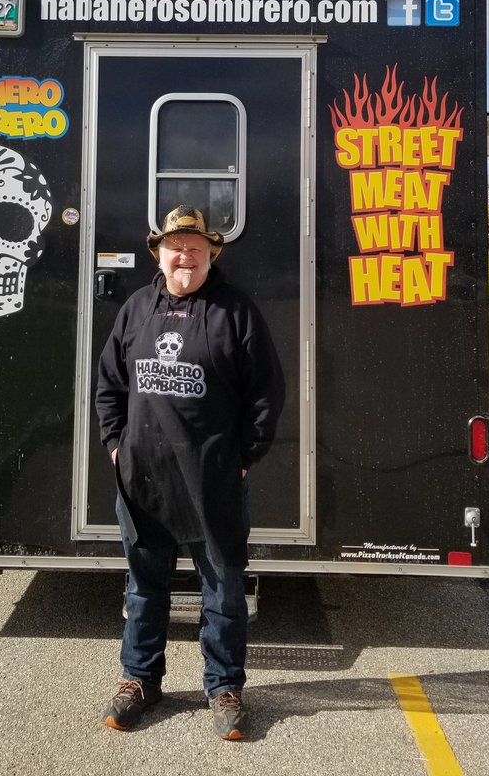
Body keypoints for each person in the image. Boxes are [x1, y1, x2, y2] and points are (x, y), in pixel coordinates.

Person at [95, 205, 284, 741]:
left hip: (213, 478)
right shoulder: (136, 308)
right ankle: (139, 681)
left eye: (195, 248)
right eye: (175, 246)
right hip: (144, 478)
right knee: (143, 587)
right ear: (158, 253)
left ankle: (224, 687)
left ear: (210, 255)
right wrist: (115, 444)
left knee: (222, 588)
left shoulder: (236, 311)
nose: (185, 255)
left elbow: (267, 393)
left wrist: (244, 454)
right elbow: (109, 384)